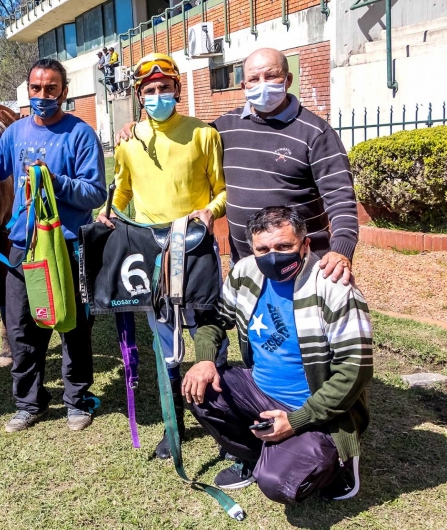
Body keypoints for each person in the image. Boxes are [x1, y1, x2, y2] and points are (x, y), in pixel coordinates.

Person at [116, 48, 359, 285]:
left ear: (288, 80)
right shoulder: (224, 128)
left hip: (302, 263)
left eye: (271, 75)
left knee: (305, 325)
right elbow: (180, 136)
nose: (262, 84)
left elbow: (340, 198)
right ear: (244, 86)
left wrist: (342, 250)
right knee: (252, 326)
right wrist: (137, 129)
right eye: (253, 78)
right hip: (245, 264)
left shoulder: (315, 132)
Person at [184, 206, 372, 502]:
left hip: (317, 409)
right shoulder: (245, 271)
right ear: (253, 249)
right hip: (260, 390)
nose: (273, 255)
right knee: (200, 389)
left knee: (277, 484)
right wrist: (205, 358)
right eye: (263, 248)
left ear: (306, 244)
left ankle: (338, 465)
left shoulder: (333, 286)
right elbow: (215, 321)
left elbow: (355, 370)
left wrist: (296, 420)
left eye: (284, 246)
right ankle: (257, 453)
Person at [96, 52, 227, 459]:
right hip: (153, 255)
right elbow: (122, 191)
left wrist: (210, 210)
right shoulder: (129, 141)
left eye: (164, 89)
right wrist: (107, 213)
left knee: (207, 333)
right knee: (165, 343)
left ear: (177, 89)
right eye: (150, 91)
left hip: (196, 248)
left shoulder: (204, 134)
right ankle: (174, 429)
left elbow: (222, 191)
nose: (158, 96)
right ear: (139, 95)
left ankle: (222, 424)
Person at [0, 58, 107, 433]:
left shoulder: (80, 133)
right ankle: (30, 403)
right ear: (27, 90)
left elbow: (95, 193)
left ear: (64, 91)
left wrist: (54, 182)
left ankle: (77, 400)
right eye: (36, 89)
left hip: (68, 246)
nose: (43, 96)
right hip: (22, 245)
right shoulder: (16, 132)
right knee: (21, 327)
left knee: (72, 324)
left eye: (51, 89)